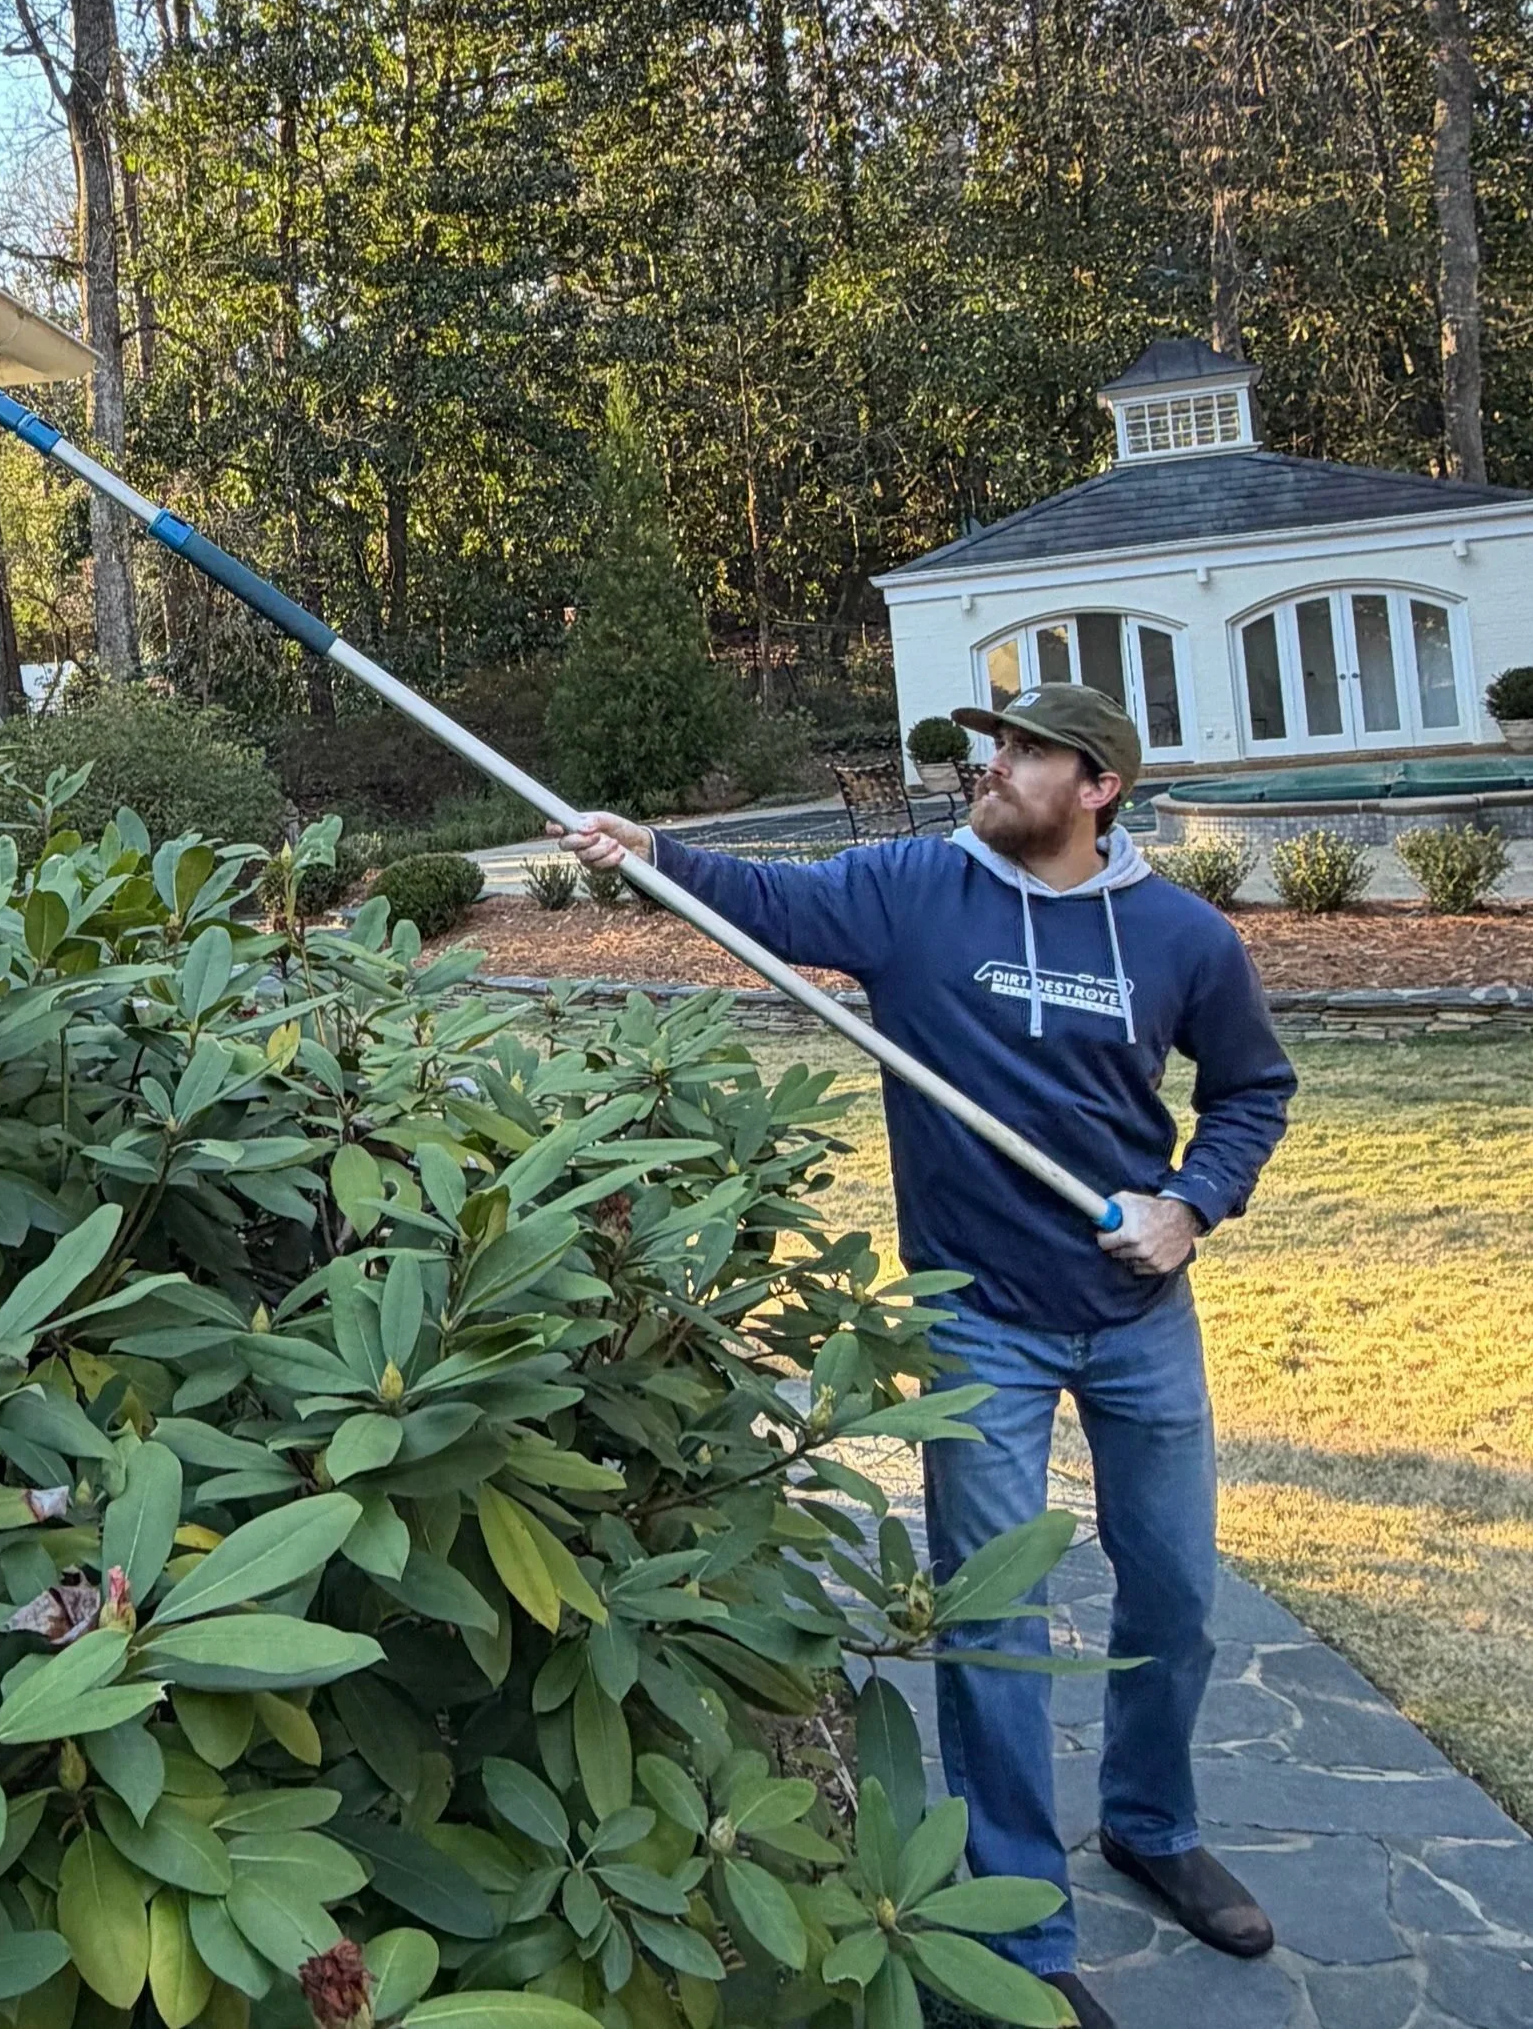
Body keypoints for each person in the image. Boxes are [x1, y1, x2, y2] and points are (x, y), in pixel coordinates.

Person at [553, 684, 1295, 2029]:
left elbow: (1252, 1090)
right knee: (995, 1623)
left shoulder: (1183, 936)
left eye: (1022, 754)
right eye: (992, 746)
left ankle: (1151, 1822)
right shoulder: (912, 892)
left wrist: (1192, 1204)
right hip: (982, 1320)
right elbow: (767, 903)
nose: (988, 767)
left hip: (1137, 1317)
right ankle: (1018, 1935)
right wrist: (651, 854)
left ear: (1097, 786)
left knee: (1177, 1591)